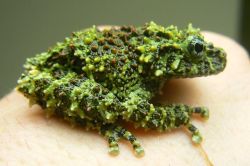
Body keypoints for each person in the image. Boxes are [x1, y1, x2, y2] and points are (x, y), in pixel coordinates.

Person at [0, 29, 249, 166]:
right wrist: (178, 114)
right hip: (68, 71)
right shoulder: (142, 81)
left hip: (80, 57)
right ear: (166, 55)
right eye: (196, 51)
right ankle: (96, 121)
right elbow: (137, 110)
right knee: (114, 106)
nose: (213, 59)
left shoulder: (151, 64)